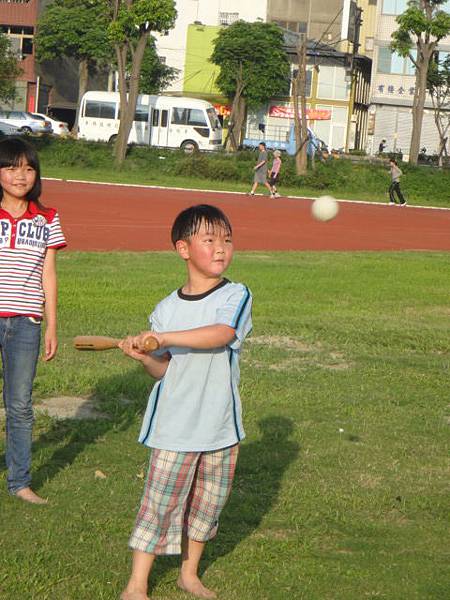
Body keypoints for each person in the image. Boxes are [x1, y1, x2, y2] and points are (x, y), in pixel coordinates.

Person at [119, 204, 252, 600]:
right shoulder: (165, 310)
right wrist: (146, 355)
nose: (221, 249)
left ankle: (188, 574)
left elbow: (222, 334)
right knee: (158, 503)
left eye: (227, 240)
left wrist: (167, 339)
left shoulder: (236, 294)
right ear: (183, 249)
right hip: (174, 425)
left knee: (207, 506)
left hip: (219, 424)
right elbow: (164, 371)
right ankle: (137, 585)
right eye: (209, 240)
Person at [0, 137, 66, 504]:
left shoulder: (47, 218)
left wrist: (51, 325)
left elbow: (49, 274)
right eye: (10, 167)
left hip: (26, 323)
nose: (20, 175)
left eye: (28, 168)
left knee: (20, 405)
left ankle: (20, 482)